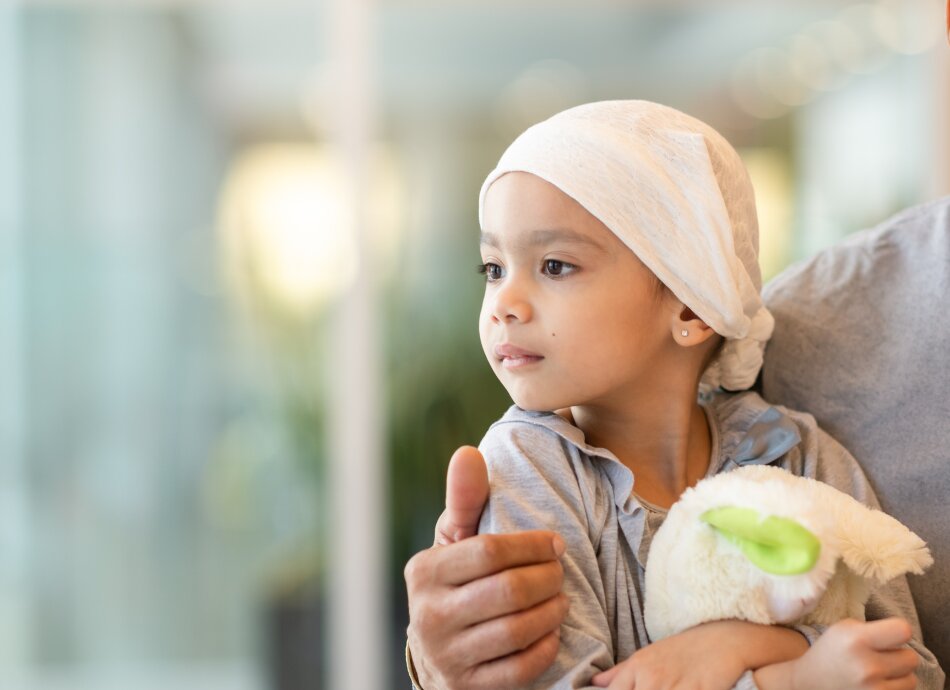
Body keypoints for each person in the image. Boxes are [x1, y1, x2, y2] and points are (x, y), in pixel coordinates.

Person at [403, 100, 943, 689]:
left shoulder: (800, 455)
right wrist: (785, 676)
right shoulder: (526, 475)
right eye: (494, 268)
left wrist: (733, 646)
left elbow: (910, 666)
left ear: (690, 305)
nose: (505, 301)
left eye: (555, 265)